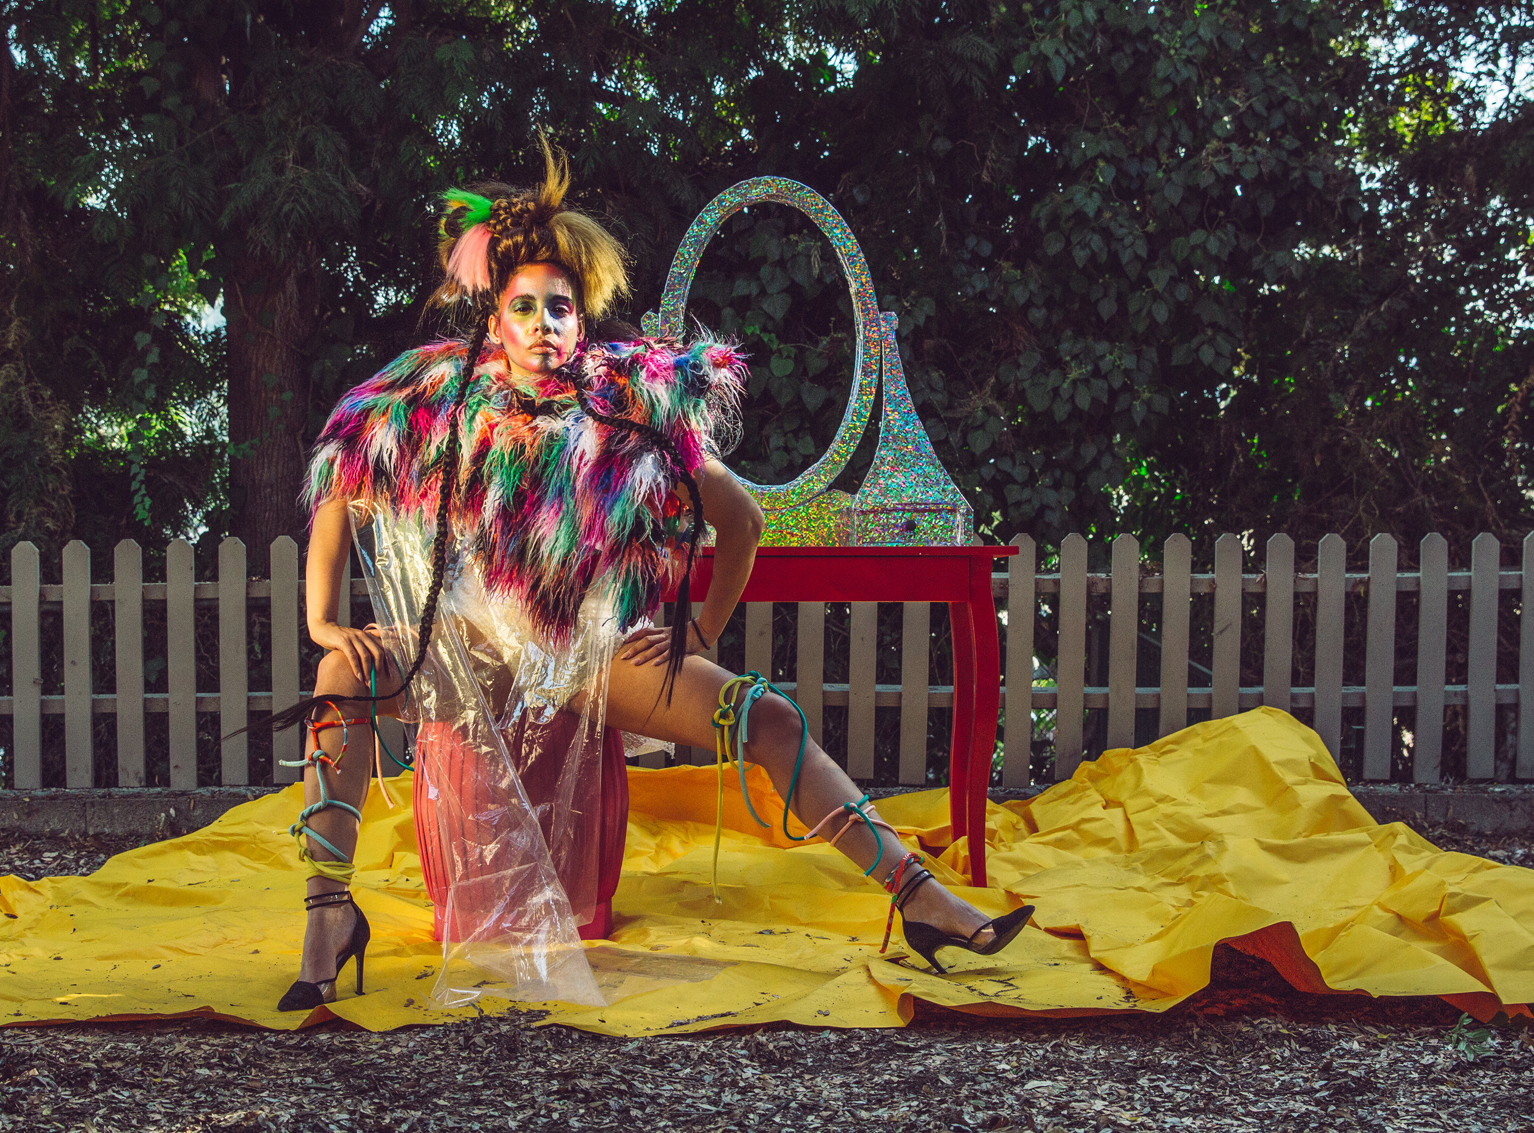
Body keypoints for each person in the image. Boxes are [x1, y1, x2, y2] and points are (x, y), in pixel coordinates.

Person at [266, 138, 1032, 1012]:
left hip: (593, 654)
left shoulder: (630, 405)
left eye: (561, 307)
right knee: (339, 676)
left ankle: (919, 896)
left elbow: (741, 521)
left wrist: (698, 630)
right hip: (475, 649)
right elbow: (342, 471)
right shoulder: (445, 397)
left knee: (768, 717)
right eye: (525, 307)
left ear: (582, 318)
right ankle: (329, 916)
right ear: (496, 318)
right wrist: (324, 621)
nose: (545, 324)